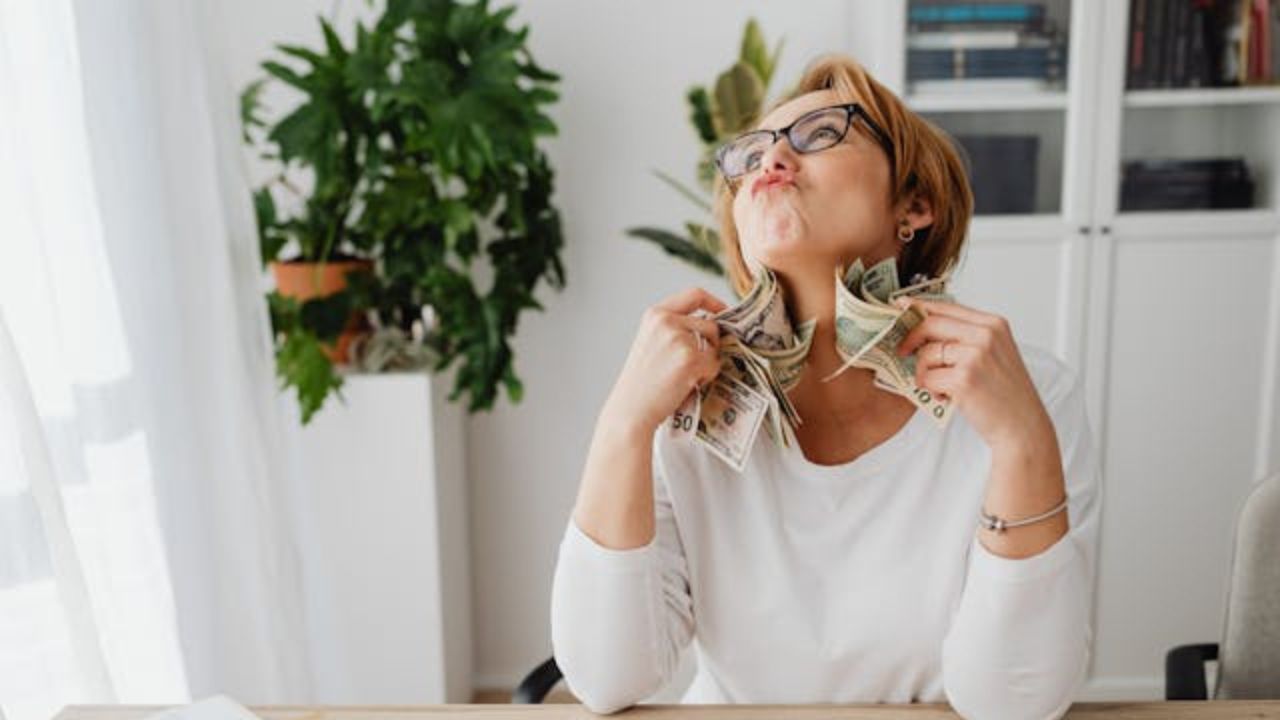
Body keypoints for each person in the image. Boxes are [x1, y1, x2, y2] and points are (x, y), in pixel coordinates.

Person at [550, 53, 1102, 720]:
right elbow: (607, 680)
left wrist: (1021, 443)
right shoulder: (681, 406)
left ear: (915, 205)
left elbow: (1015, 702)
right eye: (751, 153)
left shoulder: (1029, 395)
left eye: (819, 135)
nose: (770, 161)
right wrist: (622, 426)